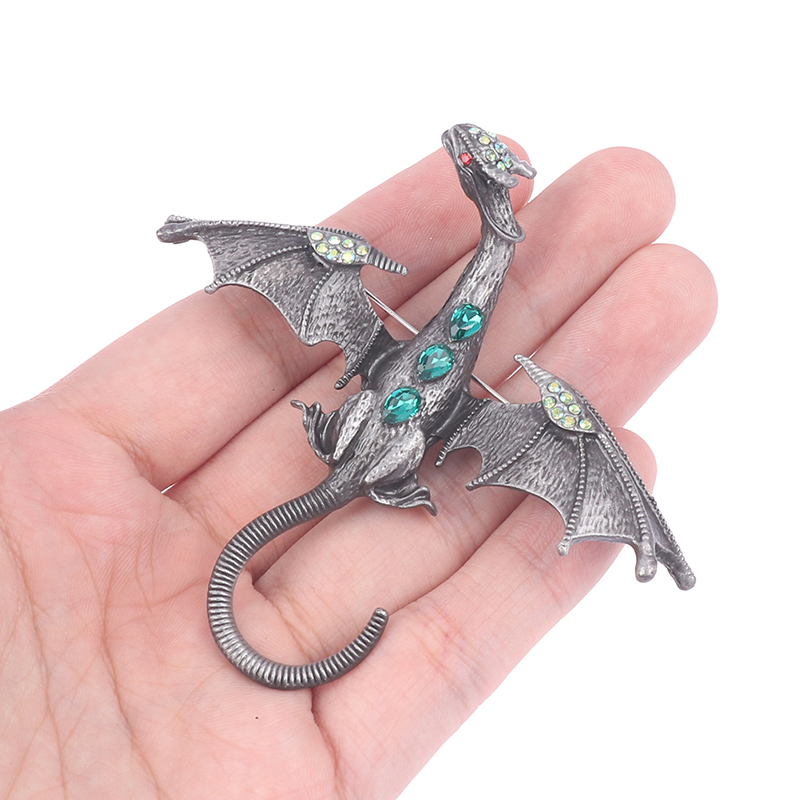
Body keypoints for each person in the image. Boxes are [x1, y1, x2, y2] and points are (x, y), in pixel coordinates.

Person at [0, 141, 715, 798]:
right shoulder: (380, 323)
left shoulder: (463, 355)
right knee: (380, 287)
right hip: (368, 434)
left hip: (383, 441)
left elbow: (478, 288)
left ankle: (400, 470)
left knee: (553, 407)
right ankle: (381, 463)